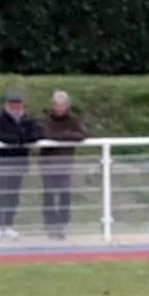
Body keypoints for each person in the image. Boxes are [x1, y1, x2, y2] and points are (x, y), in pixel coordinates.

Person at [0, 91, 44, 240]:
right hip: (3, 163)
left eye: (18, 104)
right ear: (6, 105)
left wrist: (21, 139)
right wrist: (21, 139)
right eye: (12, 104)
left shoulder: (27, 119)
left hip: (20, 163)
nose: (16, 107)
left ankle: (8, 224)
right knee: (2, 193)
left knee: (14, 195)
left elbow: (38, 134)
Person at [37, 90, 86, 239]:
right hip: (48, 164)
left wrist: (61, 137)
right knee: (49, 195)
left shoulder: (73, 120)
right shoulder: (45, 120)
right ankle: (50, 225)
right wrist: (66, 136)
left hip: (65, 164)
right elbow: (45, 135)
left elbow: (82, 135)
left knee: (65, 195)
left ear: (67, 106)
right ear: (52, 105)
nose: (59, 108)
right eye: (57, 105)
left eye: (62, 105)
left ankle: (62, 224)